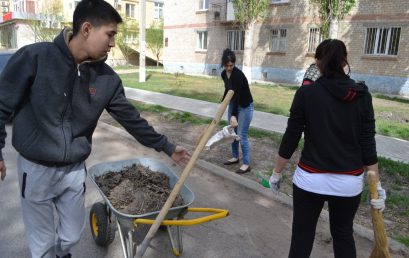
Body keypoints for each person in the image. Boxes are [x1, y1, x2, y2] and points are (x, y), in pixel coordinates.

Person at [0, 1, 190, 257]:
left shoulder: (107, 79)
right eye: (110, 34)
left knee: (71, 236)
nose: (113, 43)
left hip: (74, 171)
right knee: (42, 243)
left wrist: (167, 146)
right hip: (35, 171)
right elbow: (2, 103)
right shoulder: (35, 58)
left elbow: (131, 119)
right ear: (87, 29)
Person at [268, 39, 387, 258]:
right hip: (348, 183)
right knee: (343, 235)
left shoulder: (306, 94)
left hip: (309, 179)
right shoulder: (361, 96)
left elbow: (291, 138)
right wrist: (376, 184)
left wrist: (276, 174)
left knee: (302, 237)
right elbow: (368, 143)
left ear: (318, 62)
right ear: (344, 62)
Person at [220, 48, 254, 174]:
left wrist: (234, 115)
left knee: (241, 134)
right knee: (232, 132)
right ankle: (235, 157)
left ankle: (246, 164)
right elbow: (228, 90)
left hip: (245, 106)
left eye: (231, 65)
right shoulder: (224, 74)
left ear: (234, 64)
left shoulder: (238, 75)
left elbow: (238, 95)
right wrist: (222, 103)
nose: (229, 68)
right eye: (227, 65)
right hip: (234, 104)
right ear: (223, 64)